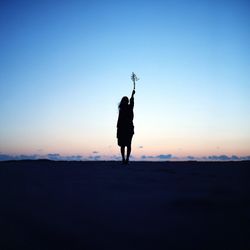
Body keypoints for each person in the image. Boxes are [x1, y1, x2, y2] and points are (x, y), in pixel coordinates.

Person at [117, 89, 135, 164]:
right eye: (124, 100)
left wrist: (132, 95)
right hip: (122, 129)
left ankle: (126, 158)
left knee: (128, 144)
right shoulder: (121, 109)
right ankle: (123, 159)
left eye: (126, 100)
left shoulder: (129, 107)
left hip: (128, 129)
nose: (125, 101)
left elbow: (132, 102)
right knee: (122, 145)